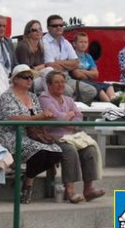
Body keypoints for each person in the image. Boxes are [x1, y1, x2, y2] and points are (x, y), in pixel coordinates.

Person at [0, 65, 62, 204]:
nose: (30, 80)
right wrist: (40, 117)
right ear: (15, 79)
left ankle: (27, 179)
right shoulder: (7, 96)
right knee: (40, 152)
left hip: (31, 135)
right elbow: (14, 119)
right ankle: (28, 185)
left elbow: (37, 117)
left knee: (56, 152)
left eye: (31, 77)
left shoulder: (32, 96)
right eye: (25, 77)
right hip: (10, 135)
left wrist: (46, 117)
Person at [38, 71, 105, 203]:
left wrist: (68, 121)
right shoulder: (44, 98)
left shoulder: (68, 100)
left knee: (90, 148)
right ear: (49, 85)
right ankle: (70, 190)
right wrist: (68, 117)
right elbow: (55, 118)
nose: (60, 85)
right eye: (56, 82)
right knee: (69, 150)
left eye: (62, 82)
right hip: (53, 138)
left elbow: (79, 118)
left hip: (72, 136)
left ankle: (88, 189)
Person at [41, 14, 97, 103]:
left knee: (91, 91)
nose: (59, 27)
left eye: (61, 25)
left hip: (66, 77)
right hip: (52, 78)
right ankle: (66, 110)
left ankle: (72, 106)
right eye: (55, 25)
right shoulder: (44, 42)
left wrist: (58, 62)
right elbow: (51, 65)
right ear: (48, 27)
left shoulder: (65, 42)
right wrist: (68, 63)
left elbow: (76, 63)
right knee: (68, 91)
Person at [72, 32, 115, 102]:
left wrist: (82, 71)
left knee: (109, 86)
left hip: (90, 81)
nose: (83, 44)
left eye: (85, 42)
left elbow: (96, 74)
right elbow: (77, 75)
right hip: (79, 82)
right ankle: (111, 107)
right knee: (100, 90)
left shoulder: (88, 57)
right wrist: (90, 73)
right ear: (74, 44)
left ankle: (115, 102)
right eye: (81, 42)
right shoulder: (72, 56)